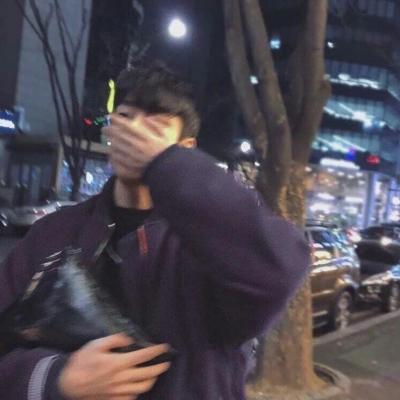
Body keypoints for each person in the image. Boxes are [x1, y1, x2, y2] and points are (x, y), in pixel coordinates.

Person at [0, 61, 309, 400]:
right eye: (125, 118)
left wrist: (164, 166)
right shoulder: (54, 232)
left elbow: (280, 270)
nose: (135, 132)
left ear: (186, 149)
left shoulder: (211, 243)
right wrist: (56, 378)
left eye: (155, 126)